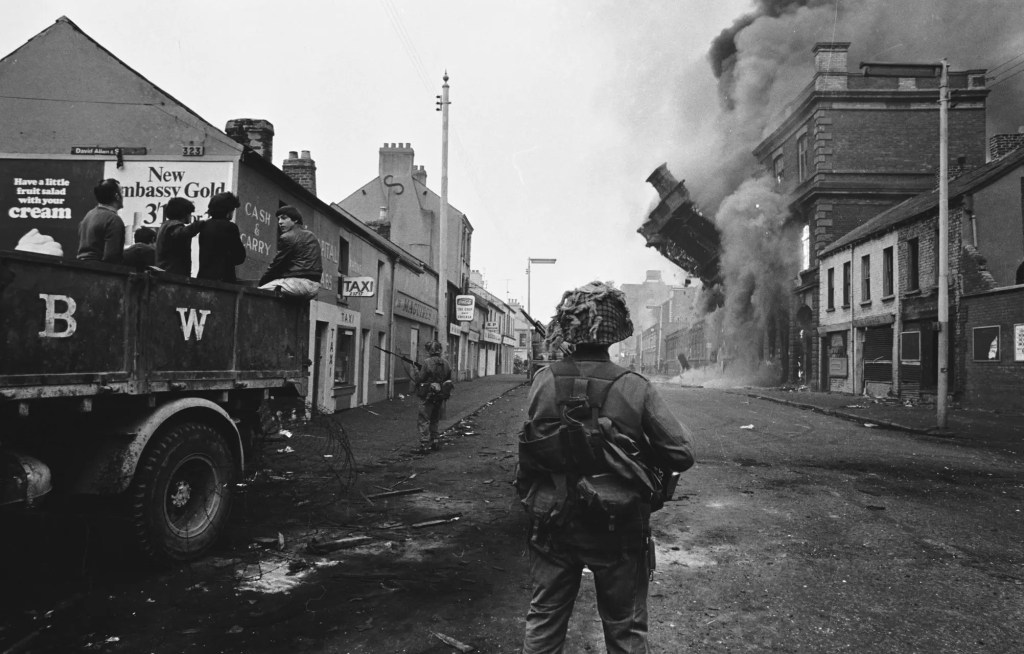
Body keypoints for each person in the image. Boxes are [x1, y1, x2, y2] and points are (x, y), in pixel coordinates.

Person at [518, 281, 695, 654]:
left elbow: (531, 446)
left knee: (544, 621)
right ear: (613, 335)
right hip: (617, 523)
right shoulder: (634, 386)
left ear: (568, 330)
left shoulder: (544, 380)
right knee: (625, 629)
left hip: (552, 518)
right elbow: (681, 453)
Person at [257, 205, 323, 299]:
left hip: (296, 284)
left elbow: (276, 265)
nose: (280, 222)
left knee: (258, 293)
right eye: (279, 219)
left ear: (295, 220)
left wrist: (261, 282)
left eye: (284, 218)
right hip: (314, 286)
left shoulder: (287, 237)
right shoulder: (312, 235)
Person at [190, 192, 247, 282]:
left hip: (203, 279)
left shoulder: (204, 225)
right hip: (224, 280)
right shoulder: (230, 227)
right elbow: (239, 257)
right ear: (228, 211)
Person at [410, 340, 453, 453]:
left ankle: (424, 445)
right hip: (440, 396)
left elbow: (420, 379)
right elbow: (448, 378)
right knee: (435, 419)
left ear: (430, 351)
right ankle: (435, 442)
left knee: (424, 419)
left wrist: (416, 370)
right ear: (440, 350)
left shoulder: (427, 362)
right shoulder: (446, 363)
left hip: (428, 395)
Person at [77, 179, 126, 263]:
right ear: (117, 196)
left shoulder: (88, 215)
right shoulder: (114, 220)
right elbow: (111, 257)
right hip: (99, 269)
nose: (123, 196)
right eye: (122, 192)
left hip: (82, 267)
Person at [154, 197, 198, 275]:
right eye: (189, 213)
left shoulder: (165, 225)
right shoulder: (173, 225)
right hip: (172, 273)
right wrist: (199, 225)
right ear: (184, 213)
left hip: (165, 270)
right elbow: (181, 234)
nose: (190, 216)